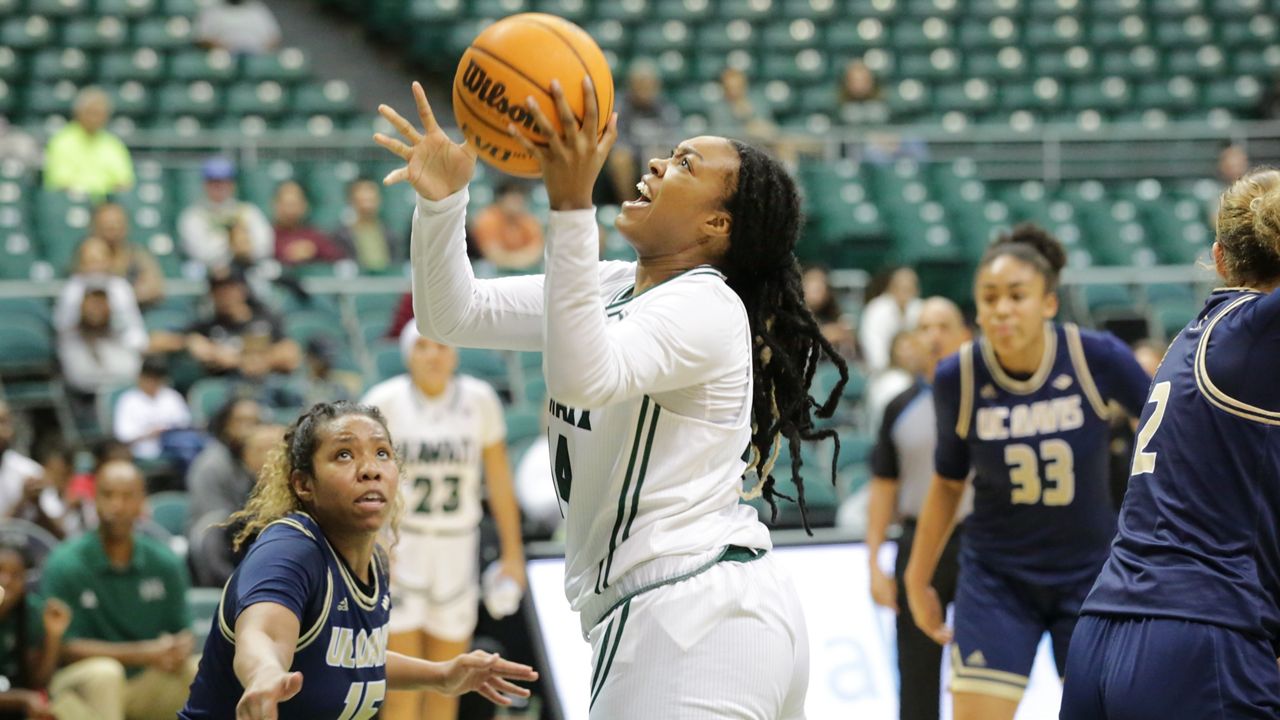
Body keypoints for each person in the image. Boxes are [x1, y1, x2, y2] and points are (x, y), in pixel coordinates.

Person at [375, 78, 847, 717]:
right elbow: (453, 314)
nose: (658, 162)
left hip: (691, 613)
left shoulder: (706, 304)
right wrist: (442, 205)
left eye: (685, 165)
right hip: (690, 613)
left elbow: (581, 377)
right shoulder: (616, 285)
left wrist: (572, 206)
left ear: (716, 224)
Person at [902, 224, 1152, 720]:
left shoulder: (1095, 356)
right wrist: (916, 576)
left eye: (1017, 296)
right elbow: (950, 483)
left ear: (1048, 303)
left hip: (1091, 574)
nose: (1002, 309)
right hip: (998, 578)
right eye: (989, 297)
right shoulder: (959, 375)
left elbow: (1170, 432)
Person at [1059, 169, 1280, 718]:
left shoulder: (1189, 339)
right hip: (1196, 639)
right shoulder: (1250, 334)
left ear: (1219, 258)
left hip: (1102, 634)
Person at [179, 401, 537, 719]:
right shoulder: (289, 550)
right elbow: (264, 634)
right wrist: (264, 673)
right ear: (304, 484)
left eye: (382, 453)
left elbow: (352, 659)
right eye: (344, 455)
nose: (370, 469)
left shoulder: (373, 561)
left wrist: (441, 675)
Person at [362, 322, 526, 720]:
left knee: (447, 686)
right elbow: (361, 482)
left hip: (457, 547)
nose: (433, 355)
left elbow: (500, 482)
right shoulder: (384, 401)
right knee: (399, 690)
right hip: (400, 548)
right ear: (407, 354)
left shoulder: (480, 399)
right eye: (422, 347)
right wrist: (369, 541)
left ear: (455, 353)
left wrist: (513, 554)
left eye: (441, 346)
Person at [865, 298, 972, 720]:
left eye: (943, 325)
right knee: (916, 677)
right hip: (916, 545)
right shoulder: (899, 406)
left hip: (978, 543)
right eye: (924, 327)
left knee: (979, 675)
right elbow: (882, 489)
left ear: (964, 333)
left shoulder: (988, 402)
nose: (933, 336)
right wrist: (874, 563)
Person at [39, 459, 198, 720]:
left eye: (127, 496)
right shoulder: (65, 562)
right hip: (79, 686)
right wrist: (142, 653)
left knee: (201, 670)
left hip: (144, 682)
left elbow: (183, 630)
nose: (117, 506)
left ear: (142, 502)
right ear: (93, 498)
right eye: (108, 495)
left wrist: (178, 648)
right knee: (105, 674)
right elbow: (64, 647)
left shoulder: (164, 561)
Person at [0, 545, 126, 720]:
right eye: (0, 571)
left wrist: (53, 635)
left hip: (21, 704)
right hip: (17, 701)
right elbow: (27, 697)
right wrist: (21, 700)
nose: (6, 581)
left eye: (16, 575)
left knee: (64, 710)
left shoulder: (30, 610)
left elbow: (39, 681)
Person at [188, 423, 283, 588]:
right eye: (262, 450)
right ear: (246, 457)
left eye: (279, 449)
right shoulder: (233, 513)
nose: (271, 457)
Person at [184, 266, 300, 376]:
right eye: (218, 290)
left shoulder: (266, 318)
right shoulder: (207, 326)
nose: (225, 295)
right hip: (229, 384)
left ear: (242, 289)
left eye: (230, 288)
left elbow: (290, 352)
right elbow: (192, 344)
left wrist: (253, 361)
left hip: (268, 380)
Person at [178, 157, 273, 269]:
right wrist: (233, 243)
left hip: (248, 270)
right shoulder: (192, 216)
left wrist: (243, 249)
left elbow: (265, 246)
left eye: (224, 181)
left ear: (233, 184)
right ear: (205, 184)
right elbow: (202, 252)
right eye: (214, 181)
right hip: (211, 276)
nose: (219, 186)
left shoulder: (249, 211)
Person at [42, 87, 134, 198]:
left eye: (100, 114)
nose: (95, 118)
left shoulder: (114, 144)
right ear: (78, 113)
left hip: (106, 205)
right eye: (91, 112)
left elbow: (124, 182)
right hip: (71, 203)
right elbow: (60, 183)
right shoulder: (61, 141)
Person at [0, 400, 64, 537]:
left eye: (4, 422)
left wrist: (37, 506)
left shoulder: (29, 471)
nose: (2, 432)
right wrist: (21, 502)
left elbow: (61, 535)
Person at [113, 355, 193, 461]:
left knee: (190, 446)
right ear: (140, 377)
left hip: (175, 444)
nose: (153, 383)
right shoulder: (128, 400)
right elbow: (123, 435)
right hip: (143, 447)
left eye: (157, 379)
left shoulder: (171, 396)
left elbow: (186, 423)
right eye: (149, 378)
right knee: (186, 451)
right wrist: (150, 433)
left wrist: (166, 430)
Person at [90, 203, 165, 308]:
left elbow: (154, 288)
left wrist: (121, 297)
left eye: (117, 224)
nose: (113, 229)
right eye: (107, 225)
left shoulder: (137, 254)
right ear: (94, 227)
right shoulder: (86, 255)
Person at [860, 266, 922, 374]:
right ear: (891, 288)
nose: (905, 292)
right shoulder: (876, 310)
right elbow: (876, 354)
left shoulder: (920, 308)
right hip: (884, 374)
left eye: (910, 288)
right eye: (901, 287)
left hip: (917, 372)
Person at [470, 181, 544, 271]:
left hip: (523, 268)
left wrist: (518, 261)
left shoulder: (528, 220)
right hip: (493, 269)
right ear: (501, 199)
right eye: (513, 196)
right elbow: (492, 254)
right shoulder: (488, 219)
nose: (518, 201)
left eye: (520, 196)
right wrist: (519, 260)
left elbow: (536, 250)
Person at [272, 180, 348, 267]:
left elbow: (339, 259)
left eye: (294, 204)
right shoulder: (266, 234)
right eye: (285, 204)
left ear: (304, 205)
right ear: (275, 205)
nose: (289, 210)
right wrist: (286, 254)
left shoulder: (315, 236)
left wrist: (314, 250)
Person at [333, 179, 401, 273]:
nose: (367, 206)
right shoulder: (342, 235)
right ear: (352, 201)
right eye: (362, 201)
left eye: (371, 200)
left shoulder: (390, 233)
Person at [802, 264, 856, 360]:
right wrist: (822, 334)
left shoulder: (834, 316)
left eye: (822, 283)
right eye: (812, 282)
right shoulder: (786, 315)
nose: (818, 287)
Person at [194, 0, 281, 55]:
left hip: (255, 55)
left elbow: (274, 38)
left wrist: (260, 51)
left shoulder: (258, 9)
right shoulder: (213, 9)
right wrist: (222, 47)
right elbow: (202, 38)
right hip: (224, 57)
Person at [836, 58, 890, 126]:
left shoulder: (886, 108)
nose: (859, 85)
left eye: (863, 80)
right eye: (855, 81)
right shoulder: (835, 110)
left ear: (872, 82)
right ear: (846, 82)